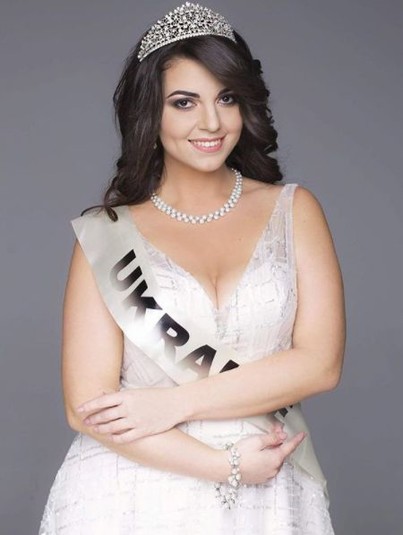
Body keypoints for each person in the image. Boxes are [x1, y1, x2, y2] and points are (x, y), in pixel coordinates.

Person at [39, 3, 345, 534]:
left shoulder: (294, 211)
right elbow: (86, 407)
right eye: (184, 102)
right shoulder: (107, 235)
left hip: (270, 488)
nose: (211, 122)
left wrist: (173, 403)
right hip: (130, 492)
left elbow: (320, 364)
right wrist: (224, 467)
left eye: (226, 98)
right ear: (149, 113)